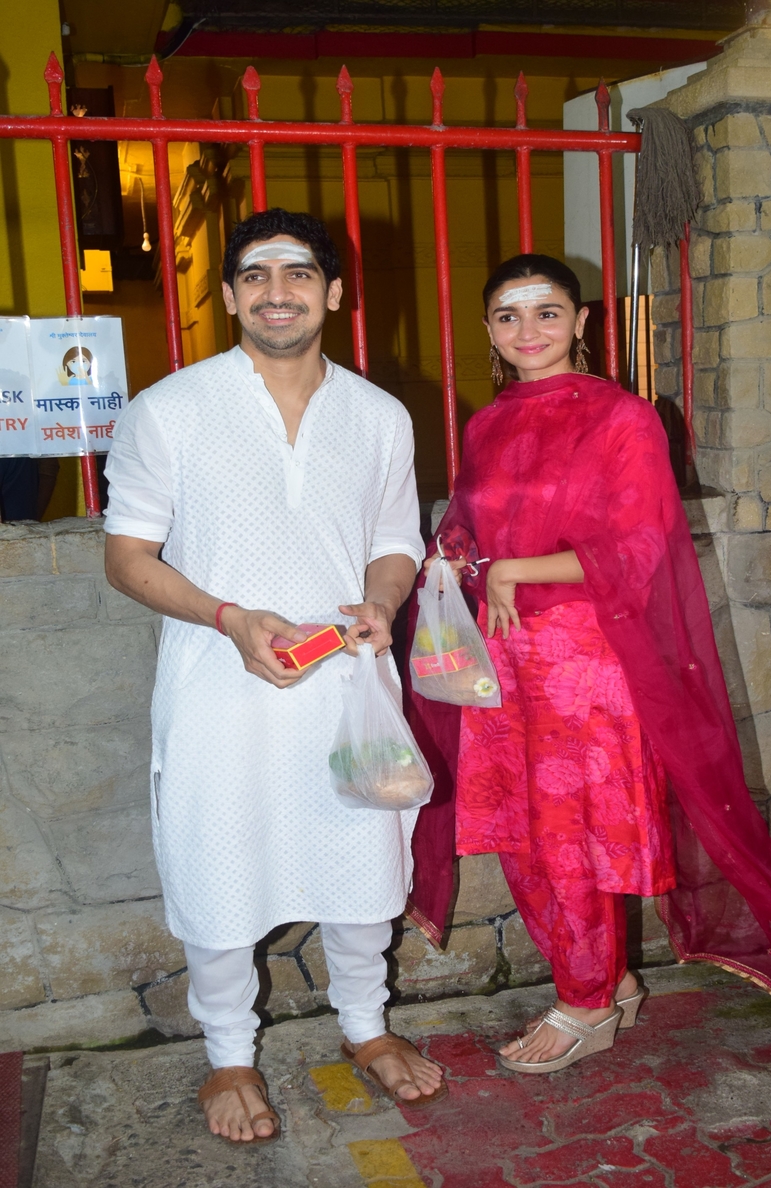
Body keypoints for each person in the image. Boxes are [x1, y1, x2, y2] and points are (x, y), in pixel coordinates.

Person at [407, 253, 771, 1076]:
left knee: (570, 837)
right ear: (488, 329)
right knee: (523, 836)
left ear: (581, 322)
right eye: (509, 315)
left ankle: (586, 1004)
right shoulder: (487, 424)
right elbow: (469, 524)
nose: (529, 330)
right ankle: (605, 980)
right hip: (501, 662)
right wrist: (452, 557)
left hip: (584, 665)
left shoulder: (622, 418)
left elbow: (638, 550)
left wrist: (518, 569)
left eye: (547, 312)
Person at [104, 208, 445, 1143]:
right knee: (216, 856)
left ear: (333, 292)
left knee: (364, 851)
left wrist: (383, 601)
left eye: (298, 273)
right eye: (255, 275)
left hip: (346, 683)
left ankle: (367, 1027)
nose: (277, 292)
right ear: (229, 296)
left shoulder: (378, 416)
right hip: (220, 687)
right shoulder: (169, 410)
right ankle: (228, 1055)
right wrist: (229, 618)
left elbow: (394, 542)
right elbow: (126, 558)